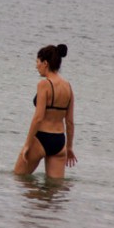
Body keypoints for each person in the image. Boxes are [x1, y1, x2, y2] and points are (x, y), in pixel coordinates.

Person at [14, 44, 77, 178]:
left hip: (42, 138)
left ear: (45, 63)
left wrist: (27, 145)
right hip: (60, 142)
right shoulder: (68, 87)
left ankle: (34, 196)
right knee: (54, 191)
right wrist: (69, 148)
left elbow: (38, 118)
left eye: (37, 62)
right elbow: (70, 122)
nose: (36, 66)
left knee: (18, 178)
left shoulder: (44, 85)